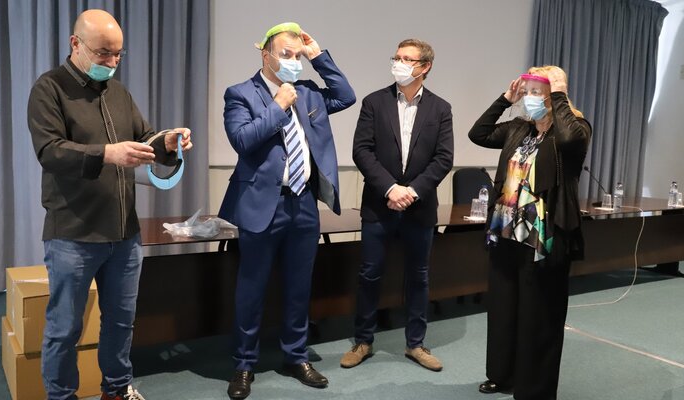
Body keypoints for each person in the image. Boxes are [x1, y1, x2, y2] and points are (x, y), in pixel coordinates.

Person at [27, 9, 192, 400]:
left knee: (121, 322)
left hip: (124, 234)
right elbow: (50, 151)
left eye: (118, 54)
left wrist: (167, 143)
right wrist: (106, 153)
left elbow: (145, 140)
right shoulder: (49, 88)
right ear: (76, 44)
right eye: (104, 53)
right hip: (73, 233)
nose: (113, 61)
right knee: (65, 329)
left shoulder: (118, 93)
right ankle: (61, 396)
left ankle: (116, 390)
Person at [218, 22, 355, 399]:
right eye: (286, 54)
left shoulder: (309, 92)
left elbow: (346, 96)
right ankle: (244, 363)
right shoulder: (240, 93)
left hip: (303, 202)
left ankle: (296, 356)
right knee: (252, 288)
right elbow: (242, 140)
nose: (294, 61)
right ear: (266, 56)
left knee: (299, 286)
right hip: (262, 203)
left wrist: (317, 56)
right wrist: (278, 106)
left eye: (298, 56)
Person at [468, 66, 591, 399]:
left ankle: (534, 388)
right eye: (528, 92)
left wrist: (560, 93)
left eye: (538, 92)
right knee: (504, 308)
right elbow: (478, 134)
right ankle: (502, 375)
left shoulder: (576, 128)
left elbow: (568, 140)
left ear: (553, 96)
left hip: (544, 237)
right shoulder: (519, 128)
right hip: (506, 230)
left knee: (539, 314)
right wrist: (505, 99)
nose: (531, 98)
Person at [343, 39, 453, 371]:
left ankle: (416, 344)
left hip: (419, 207)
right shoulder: (374, 102)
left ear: (425, 67)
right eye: (397, 57)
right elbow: (362, 151)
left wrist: (412, 191)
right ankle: (363, 340)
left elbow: (443, 158)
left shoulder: (440, 108)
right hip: (379, 205)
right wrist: (391, 189)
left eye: (407, 59)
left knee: (418, 276)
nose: (399, 64)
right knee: (370, 273)